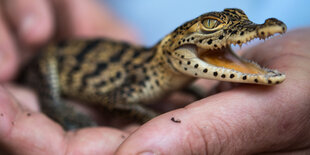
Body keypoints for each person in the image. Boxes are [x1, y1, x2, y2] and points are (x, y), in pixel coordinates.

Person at [0, 0, 309, 154]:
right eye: (212, 25)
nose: (232, 33)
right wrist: (146, 115)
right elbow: (115, 98)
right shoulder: (148, 73)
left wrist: (195, 93)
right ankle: (53, 104)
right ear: (176, 46)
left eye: (233, 24)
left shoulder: (182, 74)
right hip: (51, 60)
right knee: (51, 86)